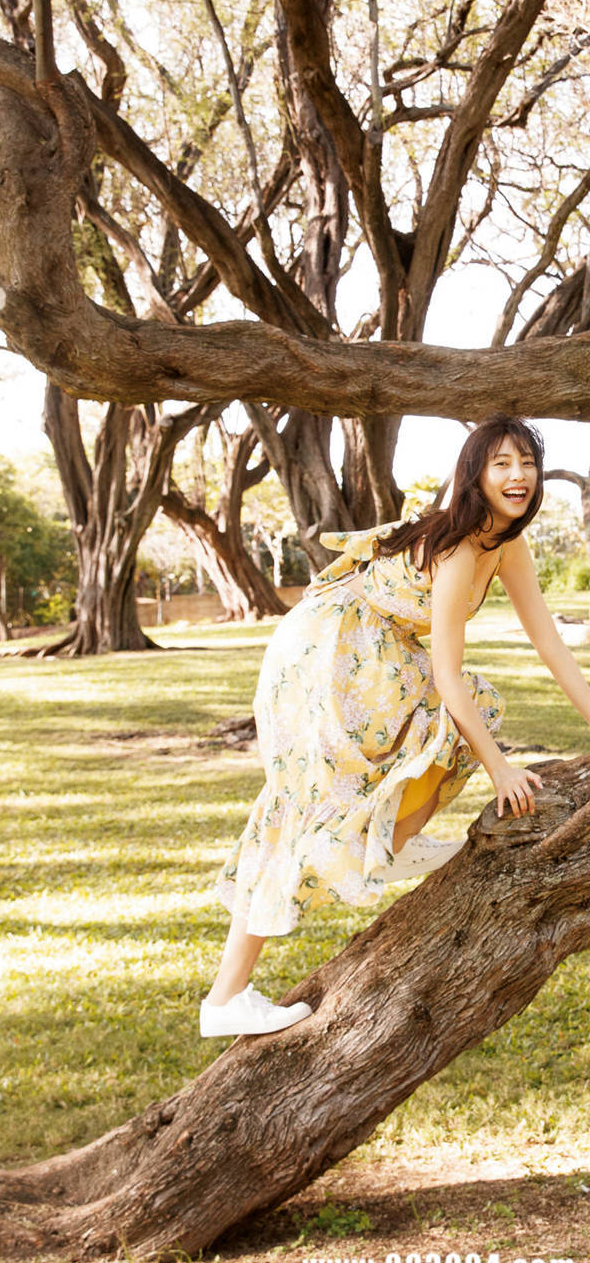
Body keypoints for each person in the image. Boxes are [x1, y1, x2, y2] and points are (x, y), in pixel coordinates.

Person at [200, 414, 590, 1039]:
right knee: (306, 800)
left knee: (451, 720)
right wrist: (500, 768)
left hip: (375, 647)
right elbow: (448, 675)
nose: (518, 476)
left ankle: (381, 847)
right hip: (330, 647)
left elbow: (550, 643)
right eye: (502, 464)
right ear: (475, 475)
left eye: (527, 463)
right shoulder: (461, 548)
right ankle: (232, 992)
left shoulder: (506, 544)